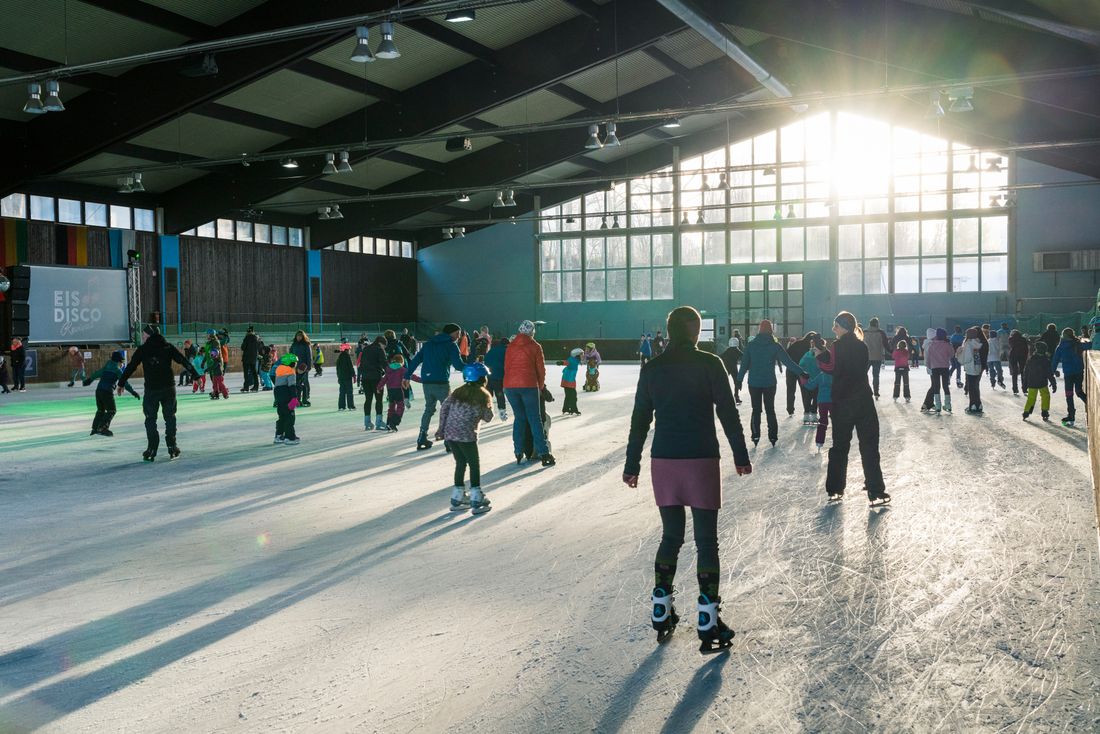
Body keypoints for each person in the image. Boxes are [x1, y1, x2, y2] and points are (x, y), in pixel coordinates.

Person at [623, 306, 752, 654]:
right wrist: (741, 455)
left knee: (671, 537)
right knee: (706, 543)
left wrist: (631, 464)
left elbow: (639, 420)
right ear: (696, 331)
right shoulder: (711, 364)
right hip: (700, 459)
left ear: (668, 331)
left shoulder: (652, 369)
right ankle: (708, 620)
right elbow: (728, 412)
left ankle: (661, 608)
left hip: (663, 461)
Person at [819, 312, 889, 505]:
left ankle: (835, 489)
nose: (833, 329)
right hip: (863, 401)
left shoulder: (837, 346)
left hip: (842, 402)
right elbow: (857, 368)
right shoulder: (862, 346)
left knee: (840, 446)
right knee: (869, 446)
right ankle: (876, 490)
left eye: (836, 326)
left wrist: (819, 357)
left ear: (844, 326)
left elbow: (832, 368)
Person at [119, 325, 199, 461]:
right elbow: (183, 360)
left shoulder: (143, 349)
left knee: (150, 419)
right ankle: (172, 446)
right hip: (168, 388)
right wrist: (196, 375)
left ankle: (152, 448)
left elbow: (132, 366)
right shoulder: (167, 347)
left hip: (152, 390)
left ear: (150, 335)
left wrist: (121, 383)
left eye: (144, 335)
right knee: (170, 417)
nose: (143, 338)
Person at [437, 362, 495, 515]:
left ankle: (458, 496)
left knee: (460, 462)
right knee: (474, 464)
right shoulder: (483, 395)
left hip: (451, 434)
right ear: (482, 379)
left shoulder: (457, 392)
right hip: (467, 435)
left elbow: (444, 408)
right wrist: (490, 405)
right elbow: (488, 418)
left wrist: (441, 429)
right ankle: (476, 496)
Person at [735, 319, 804, 447]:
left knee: (756, 410)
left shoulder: (751, 345)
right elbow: (788, 362)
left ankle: (755, 436)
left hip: (754, 383)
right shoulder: (775, 346)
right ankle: (773, 437)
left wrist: (739, 380)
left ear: (759, 330)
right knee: (770, 410)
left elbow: (744, 365)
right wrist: (801, 372)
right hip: (769, 383)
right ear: (771, 330)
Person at [404, 323, 465, 450]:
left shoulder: (429, 344)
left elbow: (415, 360)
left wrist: (407, 375)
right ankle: (448, 441)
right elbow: (458, 365)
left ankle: (422, 437)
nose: (458, 337)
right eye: (457, 334)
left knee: (429, 409)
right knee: (448, 410)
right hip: (441, 382)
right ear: (451, 333)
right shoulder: (451, 345)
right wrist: (472, 367)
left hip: (427, 382)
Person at [504, 320, 556, 467]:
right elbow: (541, 370)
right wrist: (540, 387)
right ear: (532, 332)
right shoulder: (535, 346)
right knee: (535, 419)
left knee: (519, 419)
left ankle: (518, 452)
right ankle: (544, 453)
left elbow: (506, 367)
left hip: (510, 386)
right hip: (528, 385)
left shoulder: (510, 346)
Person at [83, 349, 139, 436]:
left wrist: (89, 380)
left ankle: (95, 429)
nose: (122, 364)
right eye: (121, 362)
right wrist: (133, 392)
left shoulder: (106, 367)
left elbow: (96, 373)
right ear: (118, 362)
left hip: (98, 391)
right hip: (107, 392)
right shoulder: (117, 370)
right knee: (111, 410)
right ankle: (102, 428)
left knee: (100, 410)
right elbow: (124, 382)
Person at [1051, 327, 1088, 427]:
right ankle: (1090, 404)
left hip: (1068, 374)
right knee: (1079, 391)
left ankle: (1071, 415)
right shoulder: (1077, 344)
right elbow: (1089, 345)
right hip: (1078, 372)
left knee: (1069, 395)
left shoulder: (1061, 346)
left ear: (1063, 335)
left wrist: (1052, 372)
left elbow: (1055, 360)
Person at [804, 338, 833, 449]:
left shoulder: (820, 375)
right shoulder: (834, 375)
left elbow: (810, 385)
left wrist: (804, 380)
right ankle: (837, 439)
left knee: (823, 421)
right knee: (835, 420)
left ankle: (819, 441)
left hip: (822, 402)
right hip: (833, 401)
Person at [378, 353, 417, 431]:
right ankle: (393, 423)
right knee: (400, 407)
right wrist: (424, 380)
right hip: (399, 390)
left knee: (391, 407)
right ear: (401, 361)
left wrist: (379, 387)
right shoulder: (402, 370)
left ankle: (388, 423)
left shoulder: (388, 369)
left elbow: (384, 379)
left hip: (390, 391)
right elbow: (412, 376)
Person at [921, 328, 955, 414]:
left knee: (936, 386)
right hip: (945, 368)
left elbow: (928, 358)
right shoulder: (947, 344)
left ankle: (938, 406)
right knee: (945, 386)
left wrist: (930, 366)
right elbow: (952, 354)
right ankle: (948, 405)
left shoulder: (931, 345)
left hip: (934, 368)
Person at [785, 331, 816, 420]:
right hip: (801, 371)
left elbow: (787, 353)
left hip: (791, 369)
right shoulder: (810, 347)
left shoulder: (797, 343)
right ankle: (807, 409)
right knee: (805, 390)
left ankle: (790, 410)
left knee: (790, 390)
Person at [360, 336, 388, 430]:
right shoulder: (379, 350)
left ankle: (367, 422)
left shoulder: (366, 349)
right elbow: (384, 364)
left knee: (368, 399)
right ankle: (379, 421)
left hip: (365, 378)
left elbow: (361, 364)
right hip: (376, 378)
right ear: (381, 343)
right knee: (379, 400)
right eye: (384, 346)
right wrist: (391, 373)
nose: (384, 348)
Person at [272, 353, 301, 445]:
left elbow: (277, 385)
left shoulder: (279, 369)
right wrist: (294, 398)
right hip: (287, 396)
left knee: (282, 416)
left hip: (278, 395)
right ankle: (289, 437)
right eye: (294, 362)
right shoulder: (290, 371)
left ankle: (279, 435)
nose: (295, 364)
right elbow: (292, 385)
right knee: (290, 416)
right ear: (290, 363)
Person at [1021, 342, 1053, 422]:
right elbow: (1049, 373)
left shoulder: (1031, 359)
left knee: (1031, 398)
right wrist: (1053, 382)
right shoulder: (1046, 360)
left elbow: (1026, 373)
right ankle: (1044, 411)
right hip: (1042, 383)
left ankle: (1027, 412)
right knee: (1045, 396)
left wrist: (1024, 385)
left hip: (1032, 382)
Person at [957, 328, 984, 414]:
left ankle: (972, 405)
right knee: (976, 387)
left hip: (970, 368)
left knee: (971, 388)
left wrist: (959, 353)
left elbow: (967, 358)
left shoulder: (968, 344)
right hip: (977, 367)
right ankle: (978, 404)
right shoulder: (977, 343)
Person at [863, 318, 890, 399]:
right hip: (877, 357)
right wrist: (892, 352)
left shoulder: (864, 332)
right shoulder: (881, 332)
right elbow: (886, 344)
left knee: (863, 375)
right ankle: (876, 393)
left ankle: (864, 391)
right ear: (877, 324)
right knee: (876, 376)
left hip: (866, 357)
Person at [483, 335, 508, 420]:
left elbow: (485, 361)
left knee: (488, 395)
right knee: (499, 395)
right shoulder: (505, 351)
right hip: (498, 377)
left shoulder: (491, 350)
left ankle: (485, 413)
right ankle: (502, 414)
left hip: (489, 376)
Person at [557, 347, 583, 416]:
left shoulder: (575, 360)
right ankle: (573, 410)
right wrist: (561, 362)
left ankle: (566, 409)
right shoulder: (573, 360)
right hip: (569, 381)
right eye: (581, 354)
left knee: (568, 396)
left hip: (568, 380)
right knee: (573, 396)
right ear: (577, 355)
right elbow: (567, 362)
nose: (582, 356)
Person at [290, 331, 313, 407]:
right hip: (295, 367)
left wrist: (308, 366)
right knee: (297, 384)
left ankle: (305, 398)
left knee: (305, 382)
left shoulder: (306, 345)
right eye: (297, 336)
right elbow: (291, 355)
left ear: (303, 337)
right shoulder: (294, 345)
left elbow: (309, 356)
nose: (299, 337)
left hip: (303, 367)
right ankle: (297, 399)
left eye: (300, 336)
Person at [719, 339, 743, 405]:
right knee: (736, 382)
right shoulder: (737, 351)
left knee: (724, 382)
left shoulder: (727, 351)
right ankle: (736, 397)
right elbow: (743, 357)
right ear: (737, 344)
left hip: (726, 368)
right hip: (734, 369)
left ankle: (723, 397)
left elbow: (720, 357)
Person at [1040, 323, 1060, 392]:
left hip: (1047, 350)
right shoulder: (1056, 333)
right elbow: (1058, 341)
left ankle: (1046, 373)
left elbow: (1041, 339)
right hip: (1054, 349)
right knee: (1052, 361)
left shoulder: (1046, 333)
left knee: (1046, 362)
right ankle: (1053, 372)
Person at [335, 343, 356, 411]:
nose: (350, 350)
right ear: (346, 350)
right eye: (349, 349)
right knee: (349, 392)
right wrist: (354, 375)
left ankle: (341, 406)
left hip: (341, 377)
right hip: (347, 377)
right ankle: (351, 406)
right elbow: (350, 367)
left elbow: (337, 369)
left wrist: (338, 377)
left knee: (342, 392)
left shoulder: (339, 358)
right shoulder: (347, 356)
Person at [983, 324, 1004, 390]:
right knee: (999, 370)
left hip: (989, 359)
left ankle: (992, 382)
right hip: (996, 358)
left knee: (991, 371)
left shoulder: (987, 341)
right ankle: (1000, 380)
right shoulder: (997, 341)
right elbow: (999, 349)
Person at [240, 327, 260, 392]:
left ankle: (246, 387)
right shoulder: (256, 338)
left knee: (246, 373)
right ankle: (256, 386)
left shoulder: (246, 338)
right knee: (254, 372)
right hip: (253, 358)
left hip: (246, 358)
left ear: (247, 332)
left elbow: (243, 347)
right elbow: (258, 348)